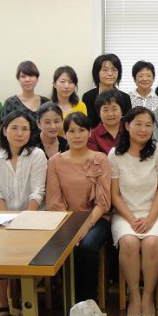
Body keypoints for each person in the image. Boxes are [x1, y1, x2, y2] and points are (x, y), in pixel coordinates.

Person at [108, 107, 158, 316]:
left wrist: (151, 219)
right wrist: (131, 219)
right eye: (138, 124)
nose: (143, 129)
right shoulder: (115, 154)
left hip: (155, 212)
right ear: (127, 125)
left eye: (148, 125)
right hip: (125, 214)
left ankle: (148, 296)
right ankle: (134, 295)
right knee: (129, 242)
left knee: (152, 243)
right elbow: (114, 194)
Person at [0, 110, 47, 316]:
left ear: (31, 132)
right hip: (4, 217)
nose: (19, 133)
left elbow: (38, 192)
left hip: (33, 217)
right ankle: (1, 304)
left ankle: (26, 303)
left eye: (24, 129)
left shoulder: (37, 155)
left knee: (30, 253)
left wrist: (23, 222)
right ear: (4, 131)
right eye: (14, 128)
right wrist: (6, 221)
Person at [46, 112, 111, 303]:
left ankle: (88, 302)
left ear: (90, 132)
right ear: (65, 134)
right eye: (72, 131)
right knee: (64, 246)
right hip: (65, 220)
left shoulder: (100, 159)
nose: (77, 135)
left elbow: (103, 201)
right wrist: (71, 228)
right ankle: (69, 300)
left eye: (81, 130)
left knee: (87, 245)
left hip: (96, 218)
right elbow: (55, 201)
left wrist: (85, 226)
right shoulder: (55, 162)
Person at [0, 61, 49, 139]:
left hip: (44, 145)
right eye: (23, 76)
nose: (27, 79)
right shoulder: (10, 103)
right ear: (18, 79)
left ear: (37, 79)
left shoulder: (46, 102)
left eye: (31, 75)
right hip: (17, 144)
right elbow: (3, 131)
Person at [82, 54, 132, 128]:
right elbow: (88, 125)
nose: (110, 74)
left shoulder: (125, 98)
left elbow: (127, 125)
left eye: (114, 70)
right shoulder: (88, 97)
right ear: (97, 72)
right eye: (105, 70)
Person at [88, 90, 124, 154]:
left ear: (121, 111)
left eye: (114, 109)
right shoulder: (92, 136)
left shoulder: (130, 132)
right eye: (105, 110)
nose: (110, 114)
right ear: (99, 113)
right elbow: (94, 158)